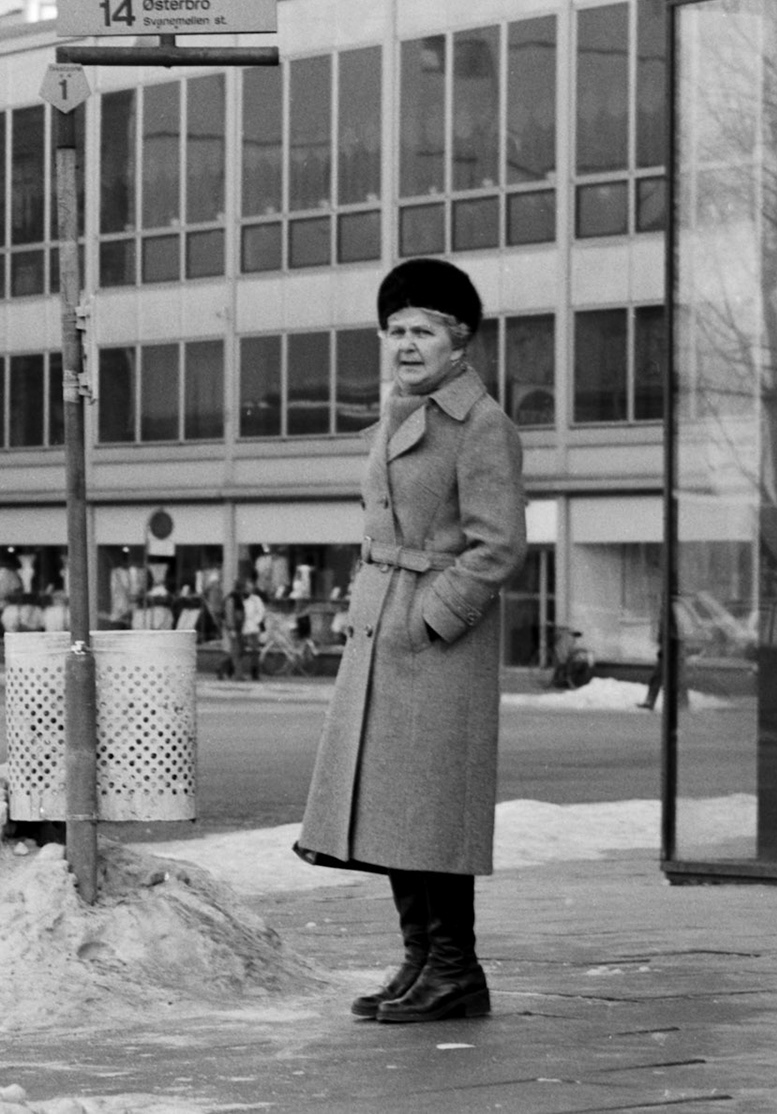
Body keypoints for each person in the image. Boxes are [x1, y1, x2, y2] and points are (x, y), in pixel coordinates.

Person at [295, 257, 528, 1024]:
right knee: (397, 810)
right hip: (383, 631)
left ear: (458, 341)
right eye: (394, 330)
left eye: (422, 330)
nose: (405, 344)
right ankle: (423, 961)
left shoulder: (481, 423)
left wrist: (432, 616)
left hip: (435, 643)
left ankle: (457, 970)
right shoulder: (396, 411)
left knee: (432, 812)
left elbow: (498, 547)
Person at [219, 577, 258, 681]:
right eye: (247, 587)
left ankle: (222, 668)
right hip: (234, 628)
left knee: (238, 650)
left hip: (238, 628)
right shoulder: (232, 598)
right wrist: (231, 628)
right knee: (236, 651)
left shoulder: (238, 597)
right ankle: (238, 675)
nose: (249, 590)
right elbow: (229, 614)